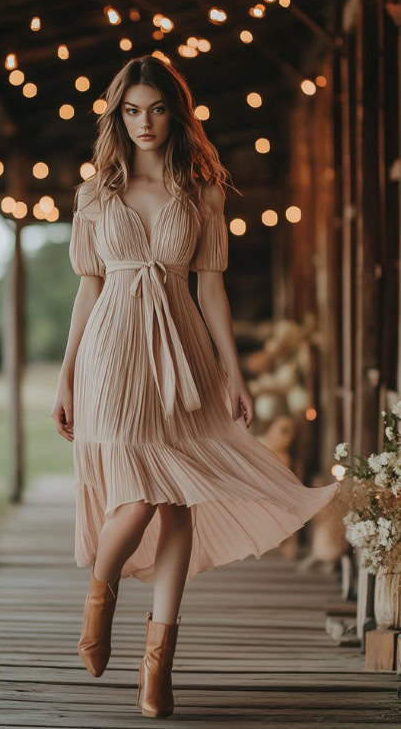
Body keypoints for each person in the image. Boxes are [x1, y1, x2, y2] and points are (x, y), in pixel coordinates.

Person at [51, 55, 339, 718]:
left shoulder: (201, 192)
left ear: (175, 113)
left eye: (155, 108)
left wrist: (232, 374)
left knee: (180, 500)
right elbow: (87, 288)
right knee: (143, 497)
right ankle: (101, 598)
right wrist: (67, 374)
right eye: (131, 110)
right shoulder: (96, 195)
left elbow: (210, 288)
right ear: (117, 117)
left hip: (183, 353)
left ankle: (158, 668)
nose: (143, 122)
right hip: (113, 352)